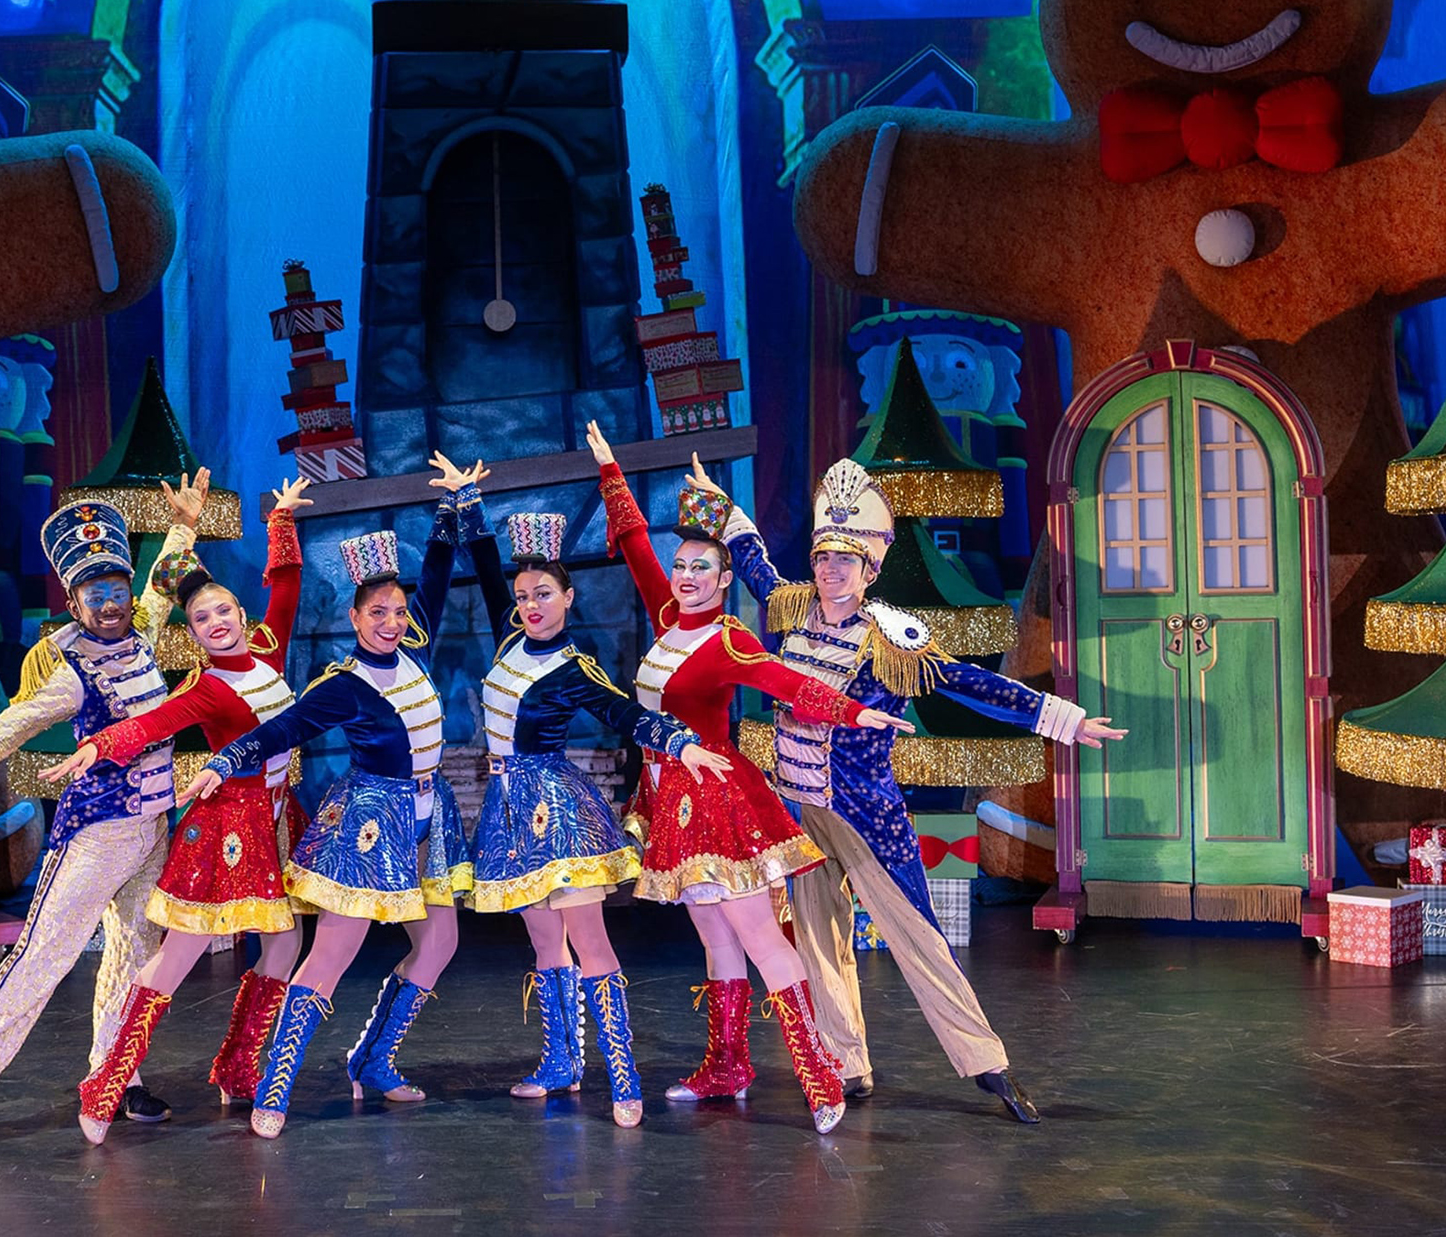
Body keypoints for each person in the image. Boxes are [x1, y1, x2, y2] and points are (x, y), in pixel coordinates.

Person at [704, 454, 1128, 1124]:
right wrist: (724, 512)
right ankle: (846, 1063)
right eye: (822, 557)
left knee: (921, 943)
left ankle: (987, 1062)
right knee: (817, 940)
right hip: (801, 812)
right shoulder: (793, 609)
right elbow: (757, 569)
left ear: (869, 569)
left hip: (869, 818)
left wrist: (1064, 719)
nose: (830, 570)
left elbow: (971, 684)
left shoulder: (890, 643)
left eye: (845, 560)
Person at [585, 422, 912, 1134]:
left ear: (726, 577)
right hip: (670, 797)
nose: (687, 575)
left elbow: (789, 683)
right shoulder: (668, 617)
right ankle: (727, 1063)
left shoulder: (728, 637)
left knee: (758, 937)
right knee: (716, 937)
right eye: (683, 566)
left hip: (719, 799)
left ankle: (819, 1072)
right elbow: (638, 550)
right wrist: (612, 472)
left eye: (703, 567)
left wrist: (858, 713)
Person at [0, 474, 208, 1150]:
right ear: (74, 599)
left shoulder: (144, 629)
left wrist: (183, 524)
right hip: (94, 835)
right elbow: (8, 727)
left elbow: (160, 581)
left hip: (153, 829)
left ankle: (115, 1078)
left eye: (118, 590)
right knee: (41, 959)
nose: (114, 603)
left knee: (133, 958)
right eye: (98, 594)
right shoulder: (68, 667)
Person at [178, 454, 491, 1139]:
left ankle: (373, 1058)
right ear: (354, 616)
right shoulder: (341, 683)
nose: (390, 620)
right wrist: (226, 758)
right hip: (370, 823)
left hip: (430, 817)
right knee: (330, 957)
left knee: (439, 942)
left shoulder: (417, 647)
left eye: (398, 611)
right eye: (377, 611)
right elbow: (282, 726)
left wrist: (453, 509)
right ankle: (275, 1083)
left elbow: (436, 575)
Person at [46, 478, 314, 1142]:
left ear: (240, 613)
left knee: (285, 941)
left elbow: (288, 585)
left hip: (277, 823)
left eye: (224, 610)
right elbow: (153, 722)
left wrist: (280, 517)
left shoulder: (270, 649)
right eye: (202, 619)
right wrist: (98, 746)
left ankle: (237, 1065)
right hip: (225, 830)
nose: (217, 622)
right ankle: (105, 1081)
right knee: (177, 958)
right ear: (193, 635)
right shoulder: (208, 689)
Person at [464, 508, 737, 1128]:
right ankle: (561, 1063)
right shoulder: (509, 644)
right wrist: (472, 510)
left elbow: (625, 713)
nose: (532, 605)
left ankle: (622, 1075)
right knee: (542, 942)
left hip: (555, 812)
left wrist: (678, 741)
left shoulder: (574, 666)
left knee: (590, 942)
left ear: (569, 596)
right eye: (524, 596)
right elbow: (486, 577)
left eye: (544, 595)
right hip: (506, 812)